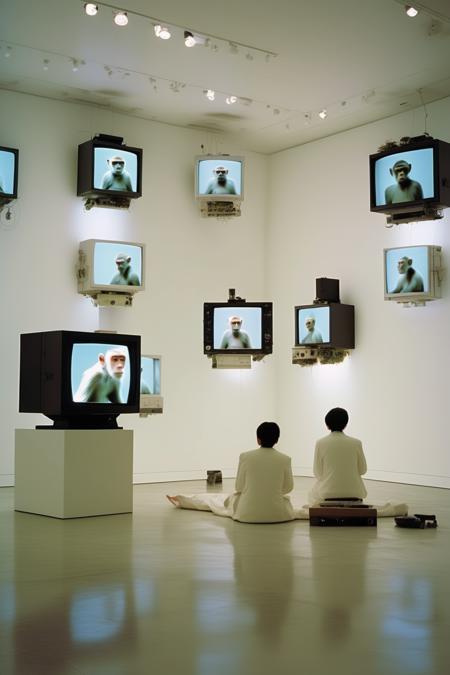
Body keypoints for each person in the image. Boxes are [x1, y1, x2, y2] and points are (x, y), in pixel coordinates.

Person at [167, 422, 295, 523]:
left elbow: (239, 487)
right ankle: (182, 499)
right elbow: (288, 488)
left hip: (247, 515)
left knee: (219, 501)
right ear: (277, 440)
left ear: (258, 439)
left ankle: (182, 499)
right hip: (279, 516)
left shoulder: (246, 457)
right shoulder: (285, 459)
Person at [308, 407, 367, 505]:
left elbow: (318, 473)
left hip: (327, 494)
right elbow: (363, 470)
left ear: (327, 425)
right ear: (346, 424)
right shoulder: (356, 443)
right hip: (355, 494)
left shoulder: (320, 443)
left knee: (311, 494)